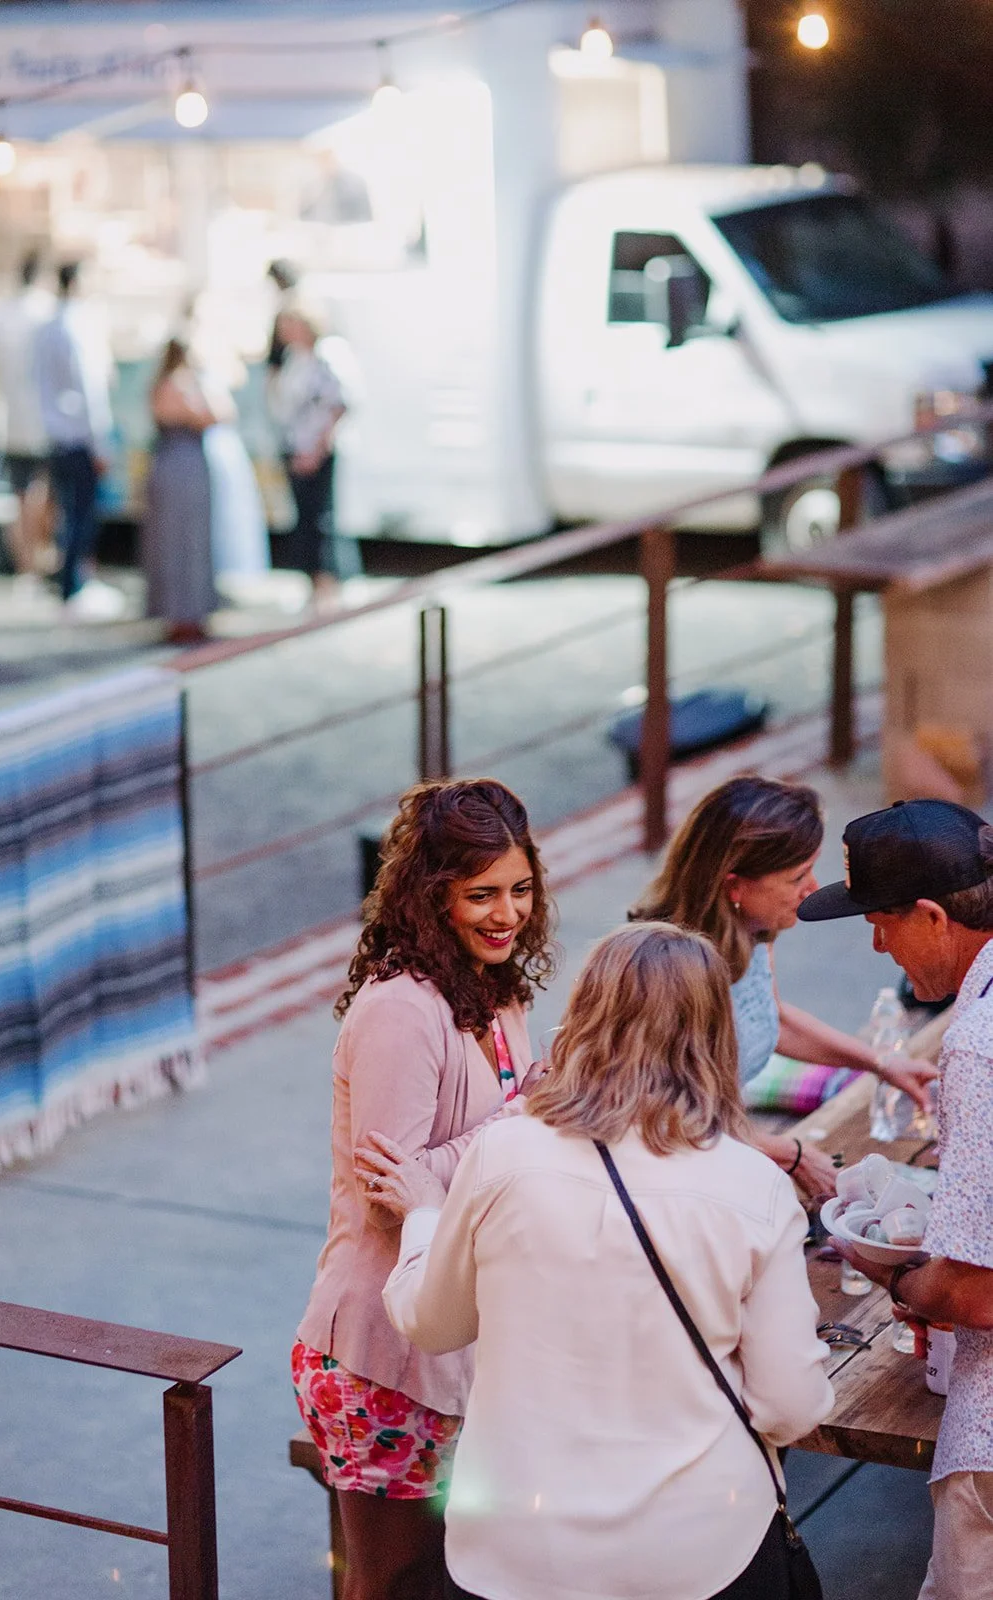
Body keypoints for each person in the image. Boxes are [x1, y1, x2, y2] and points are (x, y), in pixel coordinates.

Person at [359, 921, 834, 1600]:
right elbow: (789, 1406)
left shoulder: (505, 1157)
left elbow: (431, 1324)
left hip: (517, 1547)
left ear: (584, 1018)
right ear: (712, 1036)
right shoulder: (751, 1186)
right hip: (697, 1548)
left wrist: (423, 1215)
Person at [292, 778, 558, 1600]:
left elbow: (502, 1131)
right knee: (391, 1583)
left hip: (455, 1339)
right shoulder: (399, 1013)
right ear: (431, 896)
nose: (505, 914)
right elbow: (388, 1191)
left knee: (458, 1573)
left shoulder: (498, 988)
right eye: (480, 895)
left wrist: (532, 1111)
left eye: (519, 891)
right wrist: (527, 1119)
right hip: (382, 1354)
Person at [799, 798, 993, 1600]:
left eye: (879, 921)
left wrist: (901, 1280)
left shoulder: (978, 1043)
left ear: (929, 915)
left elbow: (975, 1291)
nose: (876, 945)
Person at [629, 776, 937, 1198]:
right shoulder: (663, 971)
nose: (813, 888)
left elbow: (771, 1017)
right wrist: (786, 1152)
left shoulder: (751, 930)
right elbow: (668, 1119)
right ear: (734, 885)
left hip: (727, 1139)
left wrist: (882, 1063)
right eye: (798, 877)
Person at [33, 261, 122, 619]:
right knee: (81, 516)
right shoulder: (78, 327)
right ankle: (74, 586)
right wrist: (101, 442)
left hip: (58, 434)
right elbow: (91, 389)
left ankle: (71, 583)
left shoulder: (49, 327)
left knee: (68, 513)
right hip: (79, 436)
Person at [0, 249, 55, 585]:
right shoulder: (50, 316)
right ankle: (36, 564)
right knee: (40, 495)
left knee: (21, 497)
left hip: (12, 423)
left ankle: (28, 568)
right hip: (45, 425)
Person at [266, 311, 347, 610]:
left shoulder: (327, 354)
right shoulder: (293, 359)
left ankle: (328, 585)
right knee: (303, 519)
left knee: (320, 518)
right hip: (295, 446)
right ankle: (312, 583)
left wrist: (316, 449)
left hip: (317, 450)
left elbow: (339, 402)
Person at [141, 339, 218, 644]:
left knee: (180, 540)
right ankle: (182, 614)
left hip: (174, 463)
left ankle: (185, 612)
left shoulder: (163, 384)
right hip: (182, 467)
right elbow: (212, 415)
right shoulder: (178, 385)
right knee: (182, 540)